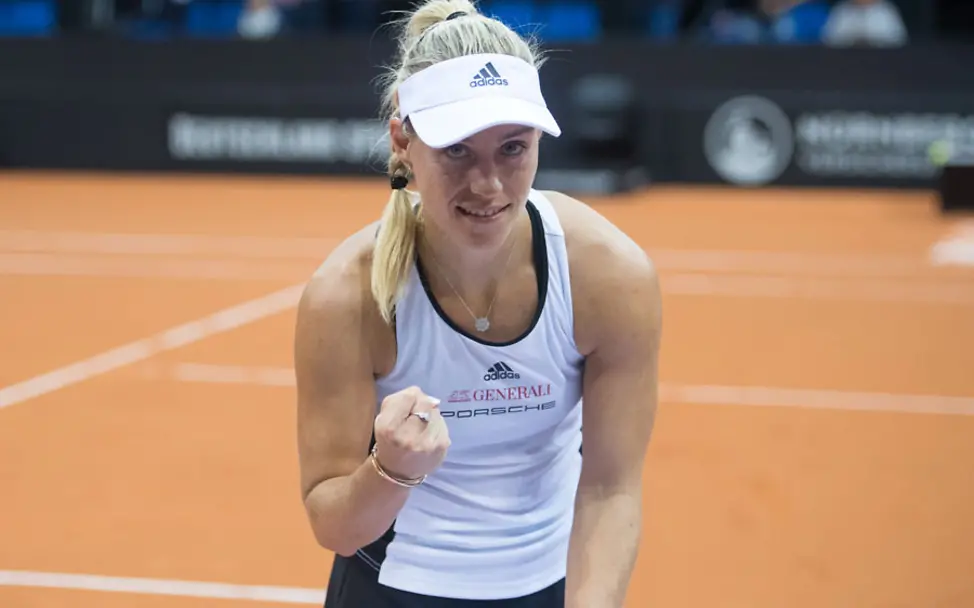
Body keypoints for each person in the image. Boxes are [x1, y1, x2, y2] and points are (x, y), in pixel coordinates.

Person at [293, 1, 662, 606]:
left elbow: (610, 489)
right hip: (392, 588)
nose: (487, 185)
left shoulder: (608, 275)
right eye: (457, 151)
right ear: (403, 141)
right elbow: (333, 526)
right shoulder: (347, 295)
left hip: (548, 586)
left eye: (512, 149)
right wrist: (391, 470)